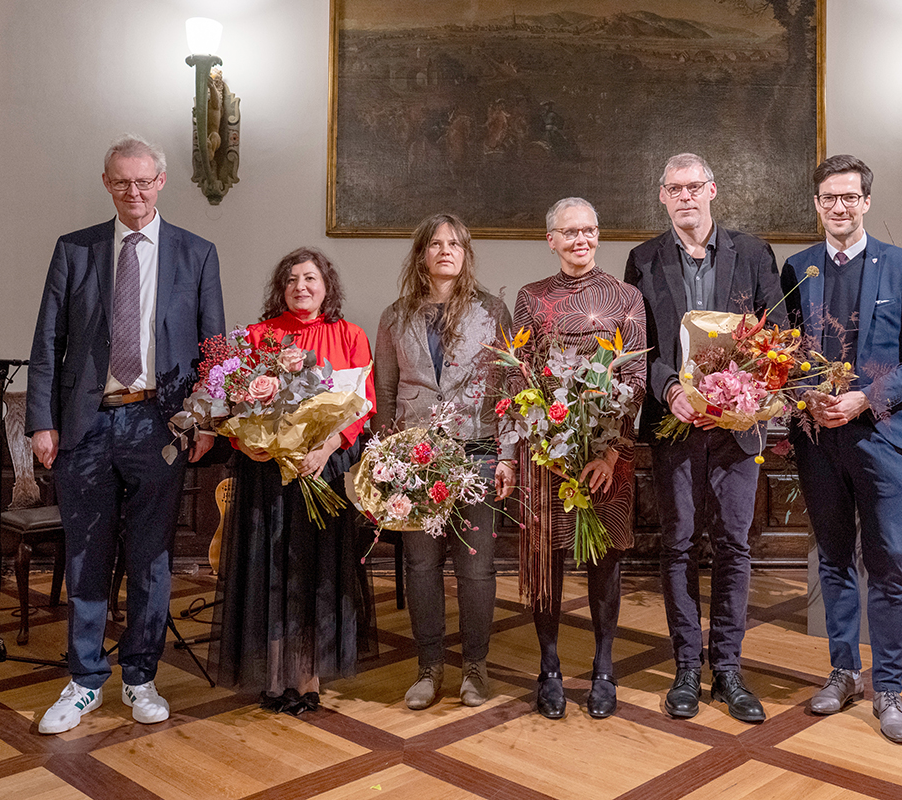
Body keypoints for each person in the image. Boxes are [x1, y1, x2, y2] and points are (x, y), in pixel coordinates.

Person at [26, 133, 225, 734]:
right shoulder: (75, 250)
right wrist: (43, 421)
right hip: (86, 426)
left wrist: (208, 421)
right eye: (122, 182)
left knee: (151, 558)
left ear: (162, 182)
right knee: (86, 555)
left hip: (160, 425)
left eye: (144, 181)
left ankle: (140, 676)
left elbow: (214, 351)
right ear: (107, 184)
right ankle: (85, 681)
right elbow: (46, 344)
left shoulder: (197, 253)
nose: (133, 192)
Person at [781, 154, 902, 744]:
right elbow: (784, 356)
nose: (839, 207)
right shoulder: (797, 269)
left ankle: (889, 690)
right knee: (831, 560)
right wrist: (810, 401)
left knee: (889, 565)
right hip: (818, 440)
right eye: (829, 198)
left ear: (867, 202)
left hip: (881, 438)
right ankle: (843, 672)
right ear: (818, 204)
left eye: (849, 197)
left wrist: (863, 400)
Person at [624, 153, 785, 724]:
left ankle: (730, 670)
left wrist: (741, 392)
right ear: (662, 196)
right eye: (675, 188)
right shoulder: (643, 260)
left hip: (737, 429)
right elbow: (638, 348)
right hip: (676, 425)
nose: (686, 196)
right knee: (680, 545)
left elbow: (777, 338)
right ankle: (687, 667)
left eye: (695, 186)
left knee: (735, 547)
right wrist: (671, 392)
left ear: (713, 190)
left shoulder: (755, 252)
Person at [210, 247, 376, 714]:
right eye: (291, 280)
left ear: (327, 286)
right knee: (271, 569)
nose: (300, 287)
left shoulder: (349, 335)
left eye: (310, 278)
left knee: (318, 572)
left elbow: (362, 405)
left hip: (326, 468)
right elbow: (236, 408)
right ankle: (275, 676)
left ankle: (309, 679)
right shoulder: (259, 336)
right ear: (280, 288)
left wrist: (326, 448)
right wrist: (251, 445)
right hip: (267, 474)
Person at [501, 197, 646, 720]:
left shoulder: (627, 296)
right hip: (547, 459)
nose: (581, 240)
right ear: (552, 240)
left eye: (589, 231)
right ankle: (550, 669)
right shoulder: (531, 298)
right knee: (548, 564)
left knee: (606, 564)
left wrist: (608, 452)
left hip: (609, 459)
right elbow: (521, 375)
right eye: (570, 232)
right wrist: (538, 443)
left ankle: (604, 669)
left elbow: (634, 379)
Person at [373, 213, 512, 710]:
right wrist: (382, 465)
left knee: (476, 569)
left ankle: (475, 665)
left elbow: (508, 387)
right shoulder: (395, 315)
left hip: (476, 452)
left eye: (455, 243)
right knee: (421, 565)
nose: (445, 250)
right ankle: (428, 666)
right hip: (415, 460)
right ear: (421, 255)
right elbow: (385, 391)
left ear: (466, 253)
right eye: (435, 243)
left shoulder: (491, 310)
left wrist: (508, 455)